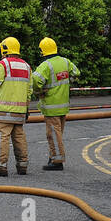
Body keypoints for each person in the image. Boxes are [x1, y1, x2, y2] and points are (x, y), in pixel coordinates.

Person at [31, 37, 79, 170]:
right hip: (63, 105)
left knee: (52, 134)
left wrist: (39, 91)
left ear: (43, 51)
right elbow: (76, 73)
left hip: (51, 106)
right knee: (58, 133)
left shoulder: (45, 65)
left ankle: (57, 161)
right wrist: (69, 81)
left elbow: (35, 81)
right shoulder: (65, 61)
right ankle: (54, 156)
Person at [0, 36, 31, 177]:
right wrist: (26, 108)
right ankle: (22, 166)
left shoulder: (3, 64)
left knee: (2, 138)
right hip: (20, 111)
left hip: (4, 111)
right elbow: (29, 91)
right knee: (19, 138)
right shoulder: (26, 66)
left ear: (5, 49)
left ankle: (0, 167)